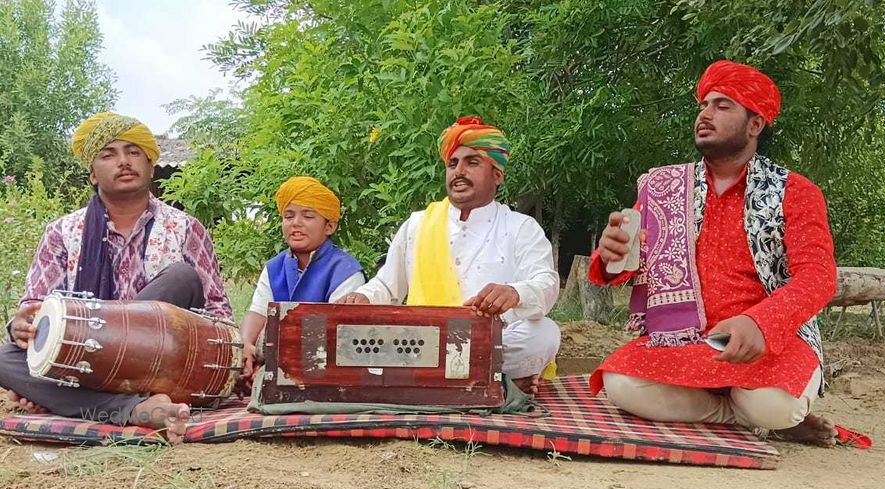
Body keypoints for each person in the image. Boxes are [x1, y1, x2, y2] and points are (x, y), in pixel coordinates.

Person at [590, 61, 838, 446]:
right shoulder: (664, 186)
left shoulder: (796, 191)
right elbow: (626, 264)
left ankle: (767, 415)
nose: (705, 115)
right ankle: (739, 417)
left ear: (754, 126)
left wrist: (761, 323)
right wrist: (609, 257)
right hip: (686, 340)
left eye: (722, 106)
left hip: (767, 340)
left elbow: (818, 278)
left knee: (774, 404)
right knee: (620, 383)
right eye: (703, 105)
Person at [0, 112, 233, 444]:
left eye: (133, 151)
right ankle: (133, 410)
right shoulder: (62, 233)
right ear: (93, 174)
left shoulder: (185, 228)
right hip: (84, 363)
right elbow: (36, 313)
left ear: (151, 164)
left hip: (161, 365)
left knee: (181, 278)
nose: (123, 161)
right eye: (109, 154)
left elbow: (220, 319)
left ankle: (70, 401)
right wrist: (20, 325)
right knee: (5, 358)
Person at [337, 116, 560, 394]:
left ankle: (460, 376)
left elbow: (546, 283)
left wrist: (515, 292)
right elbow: (387, 285)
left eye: (472, 162)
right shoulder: (418, 223)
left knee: (544, 333)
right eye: (452, 164)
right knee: (358, 333)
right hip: (421, 342)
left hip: (489, 344)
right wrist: (365, 296)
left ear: (497, 175)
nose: (459, 171)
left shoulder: (520, 227)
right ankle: (497, 380)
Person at [239, 176, 365, 382]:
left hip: (325, 370)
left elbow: (337, 337)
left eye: (307, 216)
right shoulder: (274, 267)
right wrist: (245, 345)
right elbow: (258, 312)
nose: (296, 223)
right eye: (288, 217)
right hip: (273, 362)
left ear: (329, 227)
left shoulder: (346, 272)